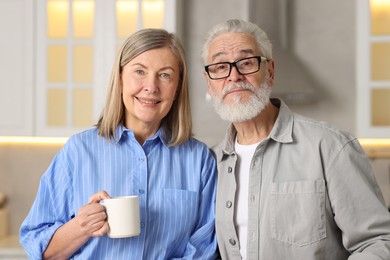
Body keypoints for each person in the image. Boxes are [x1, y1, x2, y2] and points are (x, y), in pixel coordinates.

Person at [20, 28, 218, 259]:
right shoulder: (78, 151)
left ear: (177, 88)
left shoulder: (200, 159)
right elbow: (40, 250)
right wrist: (81, 227)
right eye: (139, 71)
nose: (151, 87)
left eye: (165, 75)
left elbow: (204, 251)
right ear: (121, 79)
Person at [201, 19, 390, 259]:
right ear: (209, 84)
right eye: (219, 67)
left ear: (269, 72)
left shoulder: (330, 147)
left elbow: (378, 242)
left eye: (246, 62)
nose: (234, 76)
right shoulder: (209, 163)